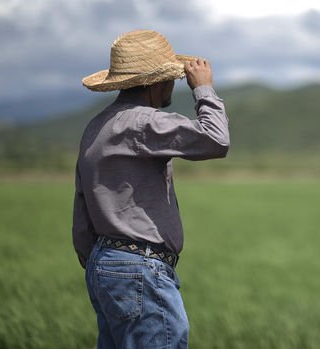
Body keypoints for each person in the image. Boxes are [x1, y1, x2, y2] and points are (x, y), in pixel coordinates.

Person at [72, 29, 230, 349]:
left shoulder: (96, 126)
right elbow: (216, 139)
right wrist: (203, 88)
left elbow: (82, 206)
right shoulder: (144, 122)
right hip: (139, 267)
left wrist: (104, 265)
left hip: (104, 264)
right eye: (171, 78)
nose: (174, 85)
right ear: (157, 84)